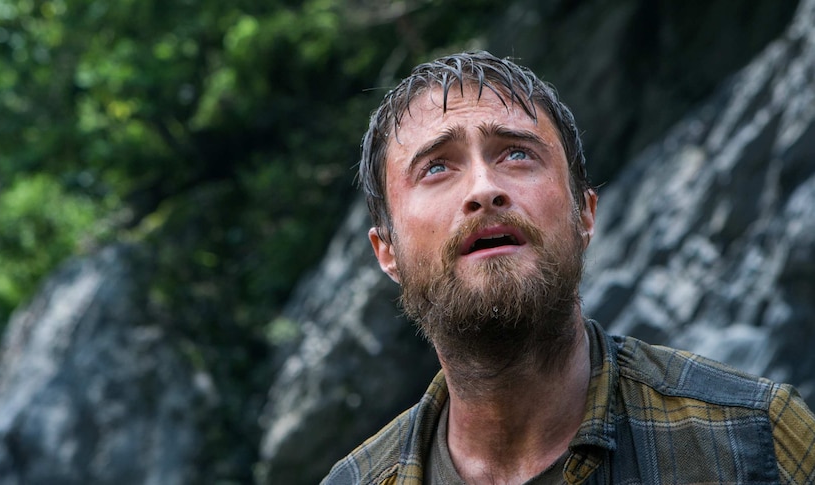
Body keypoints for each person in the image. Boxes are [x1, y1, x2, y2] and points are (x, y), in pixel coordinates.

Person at [322, 51, 815, 484]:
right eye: (436, 167)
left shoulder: (754, 441)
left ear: (585, 214)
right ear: (387, 251)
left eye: (516, 154)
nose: (483, 188)